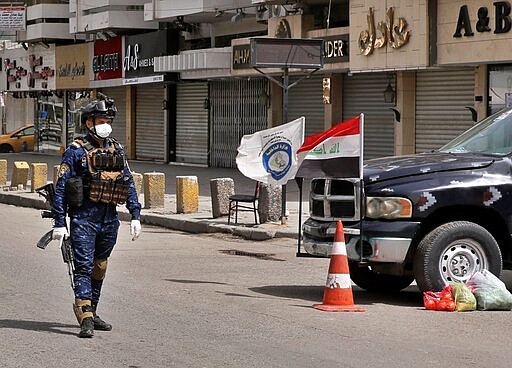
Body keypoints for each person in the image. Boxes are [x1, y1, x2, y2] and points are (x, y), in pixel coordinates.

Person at [52, 93, 142, 338]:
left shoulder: (116, 148)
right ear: (89, 122)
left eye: (108, 120)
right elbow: (61, 187)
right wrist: (60, 223)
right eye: (101, 119)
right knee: (83, 266)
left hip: (109, 218)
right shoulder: (75, 151)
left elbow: (128, 181)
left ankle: (93, 310)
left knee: (100, 266)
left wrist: (135, 214)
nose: (105, 124)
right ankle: (85, 317)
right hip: (84, 218)